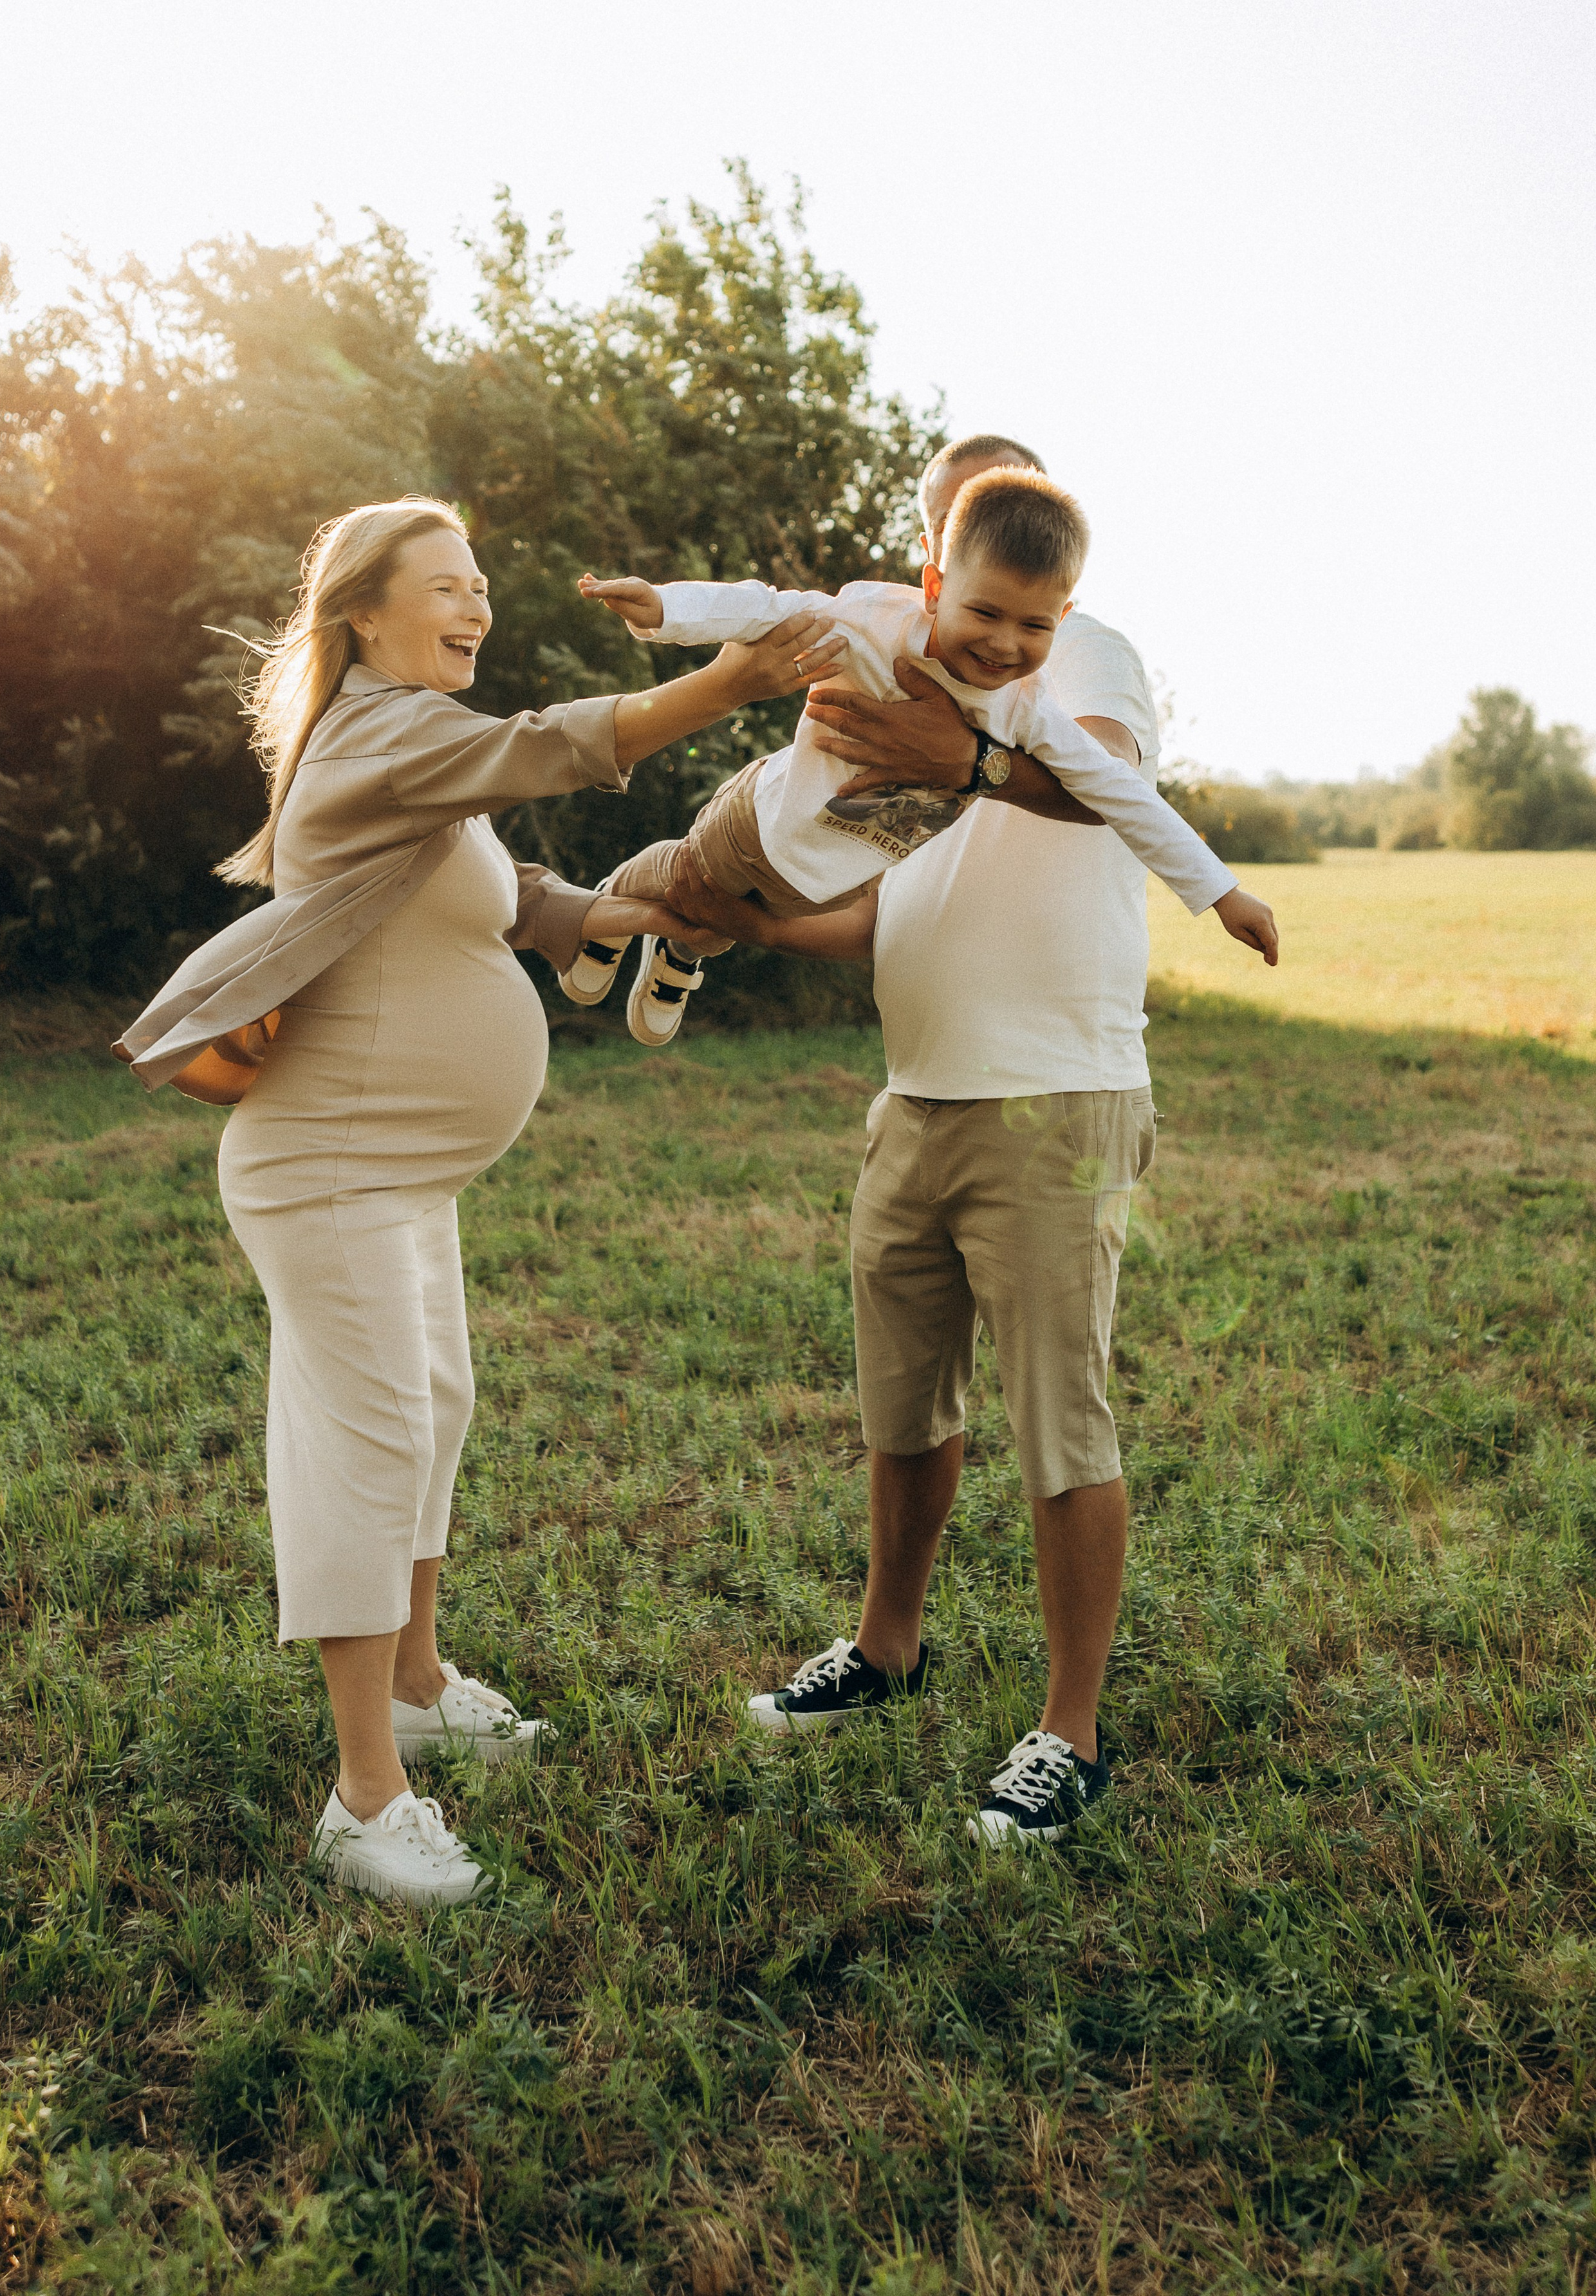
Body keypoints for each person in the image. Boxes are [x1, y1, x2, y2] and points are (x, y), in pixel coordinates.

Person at [115, 496, 838, 1905]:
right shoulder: (378, 731)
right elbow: (540, 750)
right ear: (362, 616)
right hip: (329, 1162)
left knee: (432, 1408)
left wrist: (587, 916)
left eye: (483, 584)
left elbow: (486, 886)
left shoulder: (405, 745)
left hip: (397, 1162)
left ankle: (422, 1680)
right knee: (371, 1437)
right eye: (446, 585)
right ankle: (364, 1797)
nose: (477, 605)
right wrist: (721, 684)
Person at [664, 434, 1279, 1850]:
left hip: (1053, 1096)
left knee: (1057, 1416)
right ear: (932, 547)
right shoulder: (921, 668)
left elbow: (1106, 787)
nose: (996, 623)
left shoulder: (1076, 656)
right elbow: (894, 905)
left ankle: (1068, 1732)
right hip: (916, 1093)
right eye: (952, 538)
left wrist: (975, 756)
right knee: (901, 1405)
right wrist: (751, 925)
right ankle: (885, 1651)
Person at [566, 468, 1272, 1044]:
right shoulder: (875, 622)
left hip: (833, 872)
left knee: (713, 920)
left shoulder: (1029, 709)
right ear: (935, 588)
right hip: (765, 819)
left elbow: (1119, 792)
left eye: (1033, 626)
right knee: (690, 877)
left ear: (1062, 618)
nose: (1003, 645)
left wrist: (1221, 893)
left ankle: (681, 950)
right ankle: (606, 906)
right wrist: (665, 611)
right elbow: (767, 607)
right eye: (985, 613)